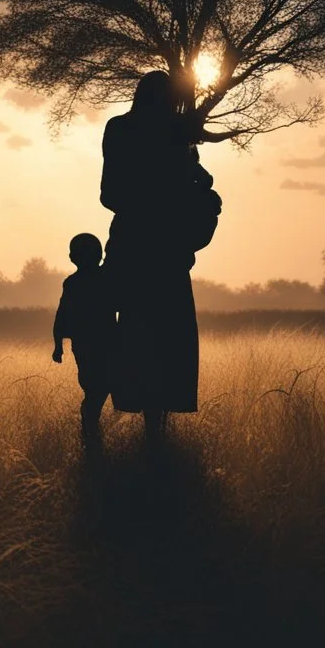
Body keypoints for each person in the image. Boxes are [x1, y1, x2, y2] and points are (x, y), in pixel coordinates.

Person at [100, 70, 218, 441]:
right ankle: (158, 433)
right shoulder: (178, 133)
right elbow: (202, 185)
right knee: (170, 339)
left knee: (139, 335)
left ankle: (150, 429)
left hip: (135, 249)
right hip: (167, 251)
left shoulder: (120, 129)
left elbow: (109, 195)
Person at [52, 232, 115, 443]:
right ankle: (90, 434)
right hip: (101, 344)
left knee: (94, 389)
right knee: (97, 389)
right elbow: (62, 315)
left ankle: (90, 434)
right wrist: (57, 345)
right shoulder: (105, 278)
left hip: (87, 345)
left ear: (72, 257)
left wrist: (58, 345)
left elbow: (61, 316)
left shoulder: (73, 282)